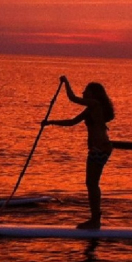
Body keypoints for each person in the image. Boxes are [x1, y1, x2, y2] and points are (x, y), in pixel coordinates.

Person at [42, 76, 115, 230]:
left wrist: (66, 82)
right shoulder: (90, 109)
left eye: (86, 90)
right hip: (100, 148)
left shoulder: (95, 104)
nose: (83, 92)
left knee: (92, 184)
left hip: (100, 148)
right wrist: (50, 123)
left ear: (93, 94)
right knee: (91, 184)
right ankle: (95, 219)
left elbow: (72, 98)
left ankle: (95, 220)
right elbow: (72, 122)